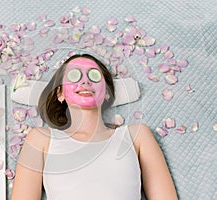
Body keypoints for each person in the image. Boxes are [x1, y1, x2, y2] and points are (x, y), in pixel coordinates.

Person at [11, 54, 178, 200]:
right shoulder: (41, 139)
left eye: (94, 76)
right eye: (74, 76)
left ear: (106, 92)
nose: (85, 81)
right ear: (59, 93)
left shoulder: (138, 135)